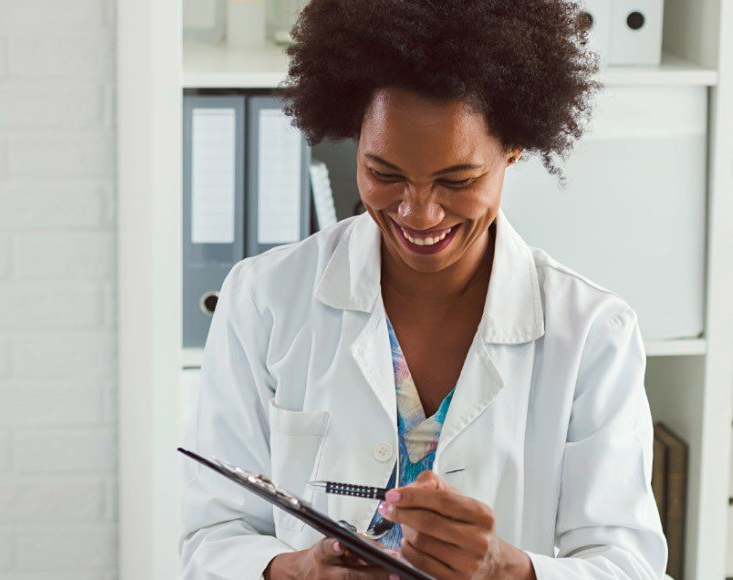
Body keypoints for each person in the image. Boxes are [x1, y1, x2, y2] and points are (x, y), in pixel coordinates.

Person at [179, 0, 666, 578]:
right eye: (384, 174)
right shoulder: (264, 298)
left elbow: (629, 565)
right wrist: (293, 569)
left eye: (457, 180)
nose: (419, 212)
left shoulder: (592, 333)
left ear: (513, 147)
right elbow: (210, 535)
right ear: (353, 139)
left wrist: (508, 570)